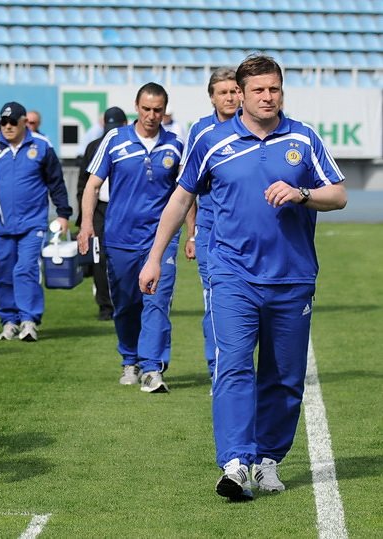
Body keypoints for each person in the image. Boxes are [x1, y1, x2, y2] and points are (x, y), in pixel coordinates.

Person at [138, 55, 346, 501]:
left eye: (274, 89)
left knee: (284, 375)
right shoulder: (211, 140)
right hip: (232, 275)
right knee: (232, 366)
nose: (267, 97)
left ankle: (267, 460)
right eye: (259, 90)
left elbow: (338, 194)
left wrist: (302, 193)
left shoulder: (304, 138)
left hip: (292, 278)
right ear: (242, 94)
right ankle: (234, 464)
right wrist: (154, 257)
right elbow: (180, 200)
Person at [78, 83, 183, 394]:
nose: (151, 115)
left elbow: (185, 194)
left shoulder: (176, 145)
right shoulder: (115, 139)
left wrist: (193, 232)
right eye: (146, 109)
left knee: (157, 302)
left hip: (160, 240)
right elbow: (92, 185)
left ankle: (152, 368)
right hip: (120, 237)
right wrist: (86, 224)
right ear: (136, 108)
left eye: (157, 110)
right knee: (125, 304)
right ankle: (130, 359)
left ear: (165, 111)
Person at [0, 101, 72, 342]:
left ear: (24, 122)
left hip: (33, 224)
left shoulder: (42, 146)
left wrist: (63, 214)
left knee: (26, 269)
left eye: (13, 121)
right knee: (4, 273)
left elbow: (56, 183)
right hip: (0, 225)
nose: (8, 126)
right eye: (3, 122)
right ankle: (9, 321)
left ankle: (29, 320)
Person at [181, 68, 239, 381]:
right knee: (215, 300)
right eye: (223, 92)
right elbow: (189, 188)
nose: (229, 97)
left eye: (233, 91)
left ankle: (243, 369)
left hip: (246, 233)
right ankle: (218, 371)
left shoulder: (255, 126)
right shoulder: (201, 131)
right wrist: (192, 234)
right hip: (210, 230)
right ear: (212, 97)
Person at [76, 106, 128, 321]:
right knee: (100, 259)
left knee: (124, 256)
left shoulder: (129, 147)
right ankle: (105, 306)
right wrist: (84, 219)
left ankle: (124, 302)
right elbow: (83, 184)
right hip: (99, 208)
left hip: (124, 208)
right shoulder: (93, 147)